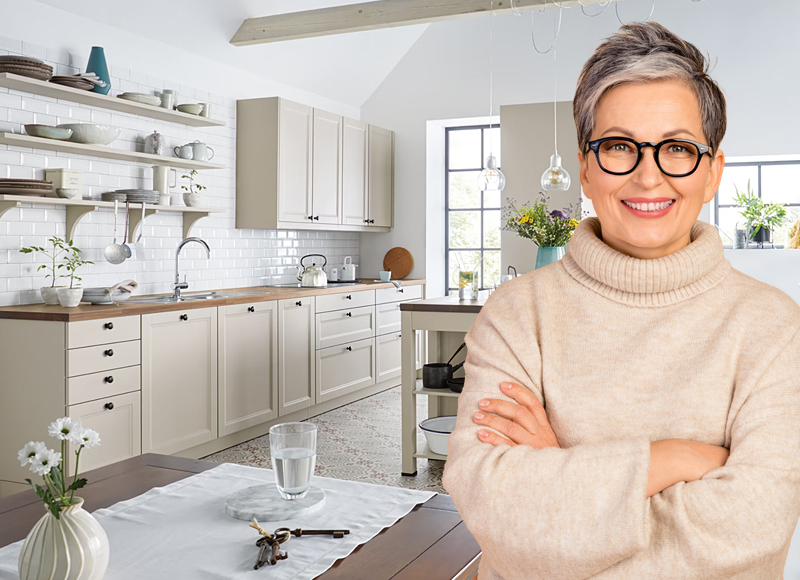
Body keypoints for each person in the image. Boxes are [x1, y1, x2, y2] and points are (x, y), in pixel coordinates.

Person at [442, 21, 800, 580]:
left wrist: (558, 481)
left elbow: (752, 528)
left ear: (712, 173)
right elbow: (494, 509)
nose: (648, 176)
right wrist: (672, 458)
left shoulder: (773, 325)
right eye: (618, 147)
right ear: (586, 169)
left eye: (677, 148)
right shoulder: (516, 312)